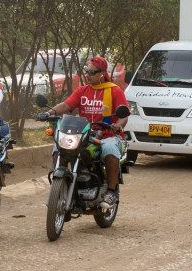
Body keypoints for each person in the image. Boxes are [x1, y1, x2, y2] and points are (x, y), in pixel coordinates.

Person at [37, 56, 128, 209]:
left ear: (101, 73)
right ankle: (59, 186)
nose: (87, 74)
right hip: (84, 133)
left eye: (92, 72)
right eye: (86, 71)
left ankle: (111, 192)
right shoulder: (82, 90)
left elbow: (124, 116)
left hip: (107, 134)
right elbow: (66, 105)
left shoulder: (114, 90)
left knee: (110, 149)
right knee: (58, 147)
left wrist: (117, 125)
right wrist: (49, 113)